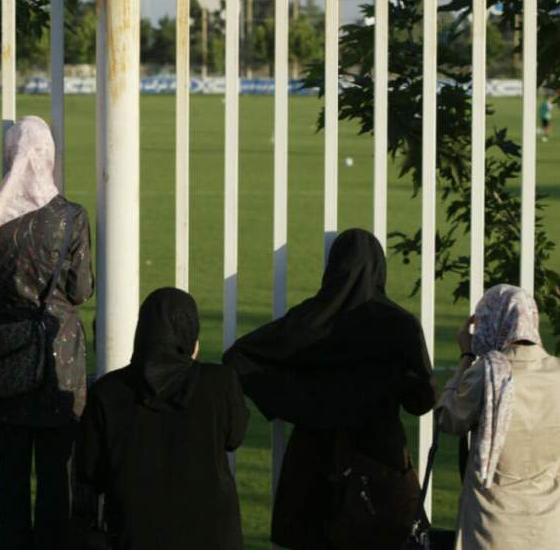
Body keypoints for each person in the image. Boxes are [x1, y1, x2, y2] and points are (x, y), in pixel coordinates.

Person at [223, 228, 437, 550]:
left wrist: (298, 400)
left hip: (314, 460)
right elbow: (420, 401)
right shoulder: (398, 324)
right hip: (378, 460)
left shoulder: (311, 319)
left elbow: (240, 357)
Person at [0, 115, 94, 550]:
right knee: (55, 483)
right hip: (58, 362)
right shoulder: (71, 218)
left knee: (11, 484)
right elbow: (81, 290)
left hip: (8, 359)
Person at [76, 288, 250, 550]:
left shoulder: (108, 391)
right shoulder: (219, 383)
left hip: (135, 532)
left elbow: (91, 470)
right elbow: (233, 438)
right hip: (212, 533)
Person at [437, 284, 560, 549]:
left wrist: (466, 357)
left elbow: (447, 419)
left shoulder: (488, 373)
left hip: (491, 525)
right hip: (548, 525)